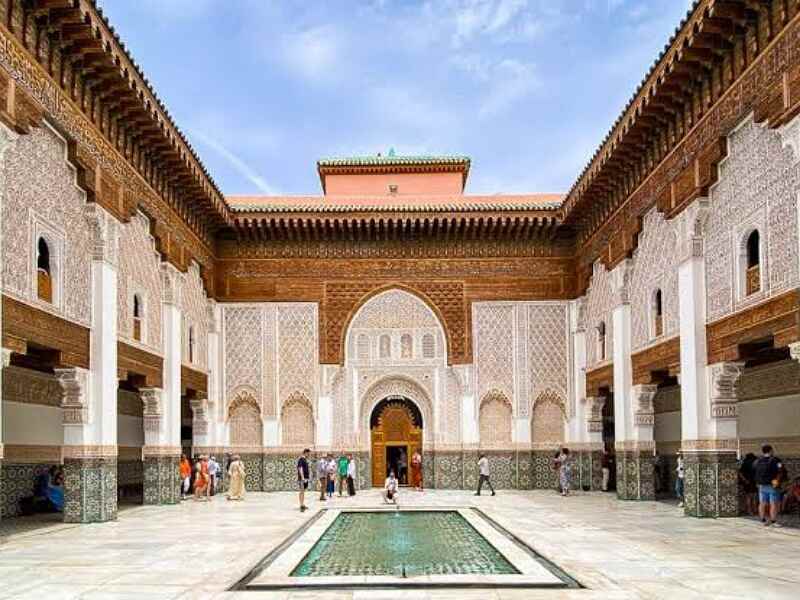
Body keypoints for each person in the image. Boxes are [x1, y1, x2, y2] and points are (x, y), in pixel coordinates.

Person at [755, 444, 787, 527]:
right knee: (774, 503)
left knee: (762, 503)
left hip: (761, 485)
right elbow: (781, 471)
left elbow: (754, 471)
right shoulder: (776, 460)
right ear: (771, 450)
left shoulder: (758, 460)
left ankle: (763, 520)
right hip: (772, 485)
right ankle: (773, 521)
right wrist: (777, 481)